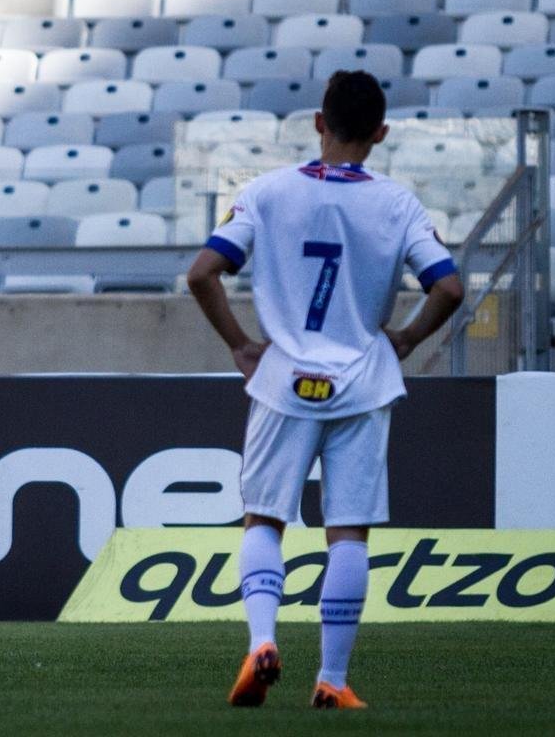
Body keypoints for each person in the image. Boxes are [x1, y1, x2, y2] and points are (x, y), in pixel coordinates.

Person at [185, 70, 464, 709]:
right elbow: (448, 287)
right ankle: (333, 680)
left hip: (283, 378)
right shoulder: (397, 204)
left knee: (264, 518)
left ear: (318, 121)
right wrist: (408, 339)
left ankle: (261, 641)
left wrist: (240, 344)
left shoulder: (266, 192)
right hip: (362, 381)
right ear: (381, 133)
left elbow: (203, 273)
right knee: (348, 531)